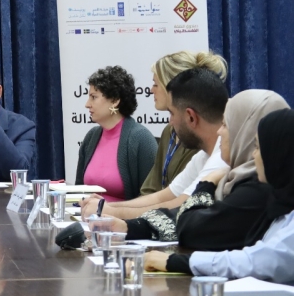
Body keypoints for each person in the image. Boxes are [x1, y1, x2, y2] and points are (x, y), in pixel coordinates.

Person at [118, 90, 288, 249]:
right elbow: (180, 215)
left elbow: (191, 228)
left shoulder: (257, 188)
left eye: (226, 125)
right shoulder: (233, 176)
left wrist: (205, 185)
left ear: (245, 133)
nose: (220, 132)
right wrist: (129, 226)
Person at [146, 109, 294, 279]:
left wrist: (172, 261)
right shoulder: (279, 203)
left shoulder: (257, 193)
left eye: (259, 148)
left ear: (279, 154)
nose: (255, 155)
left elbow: (254, 261)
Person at [81, 67, 229, 219]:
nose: (170, 123)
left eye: (172, 113)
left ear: (191, 117)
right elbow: (163, 197)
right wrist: (107, 206)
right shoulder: (203, 156)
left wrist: (111, 212)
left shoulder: (221, 158)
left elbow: (180, 205)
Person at [139, 51, 228, 195]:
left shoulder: (197, 136)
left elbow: (180, 202)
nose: (151, 90)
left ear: (170, 83)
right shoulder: (169, 131)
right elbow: (153, 191)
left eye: (155, 84)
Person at [74, 66, 157, 200]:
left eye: (93, 97)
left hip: (124, 219)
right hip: (87, 218)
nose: (87, 104)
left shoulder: (141, 139)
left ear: (115, 100)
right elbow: (78, 191)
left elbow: (151, 197)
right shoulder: (91, 137)